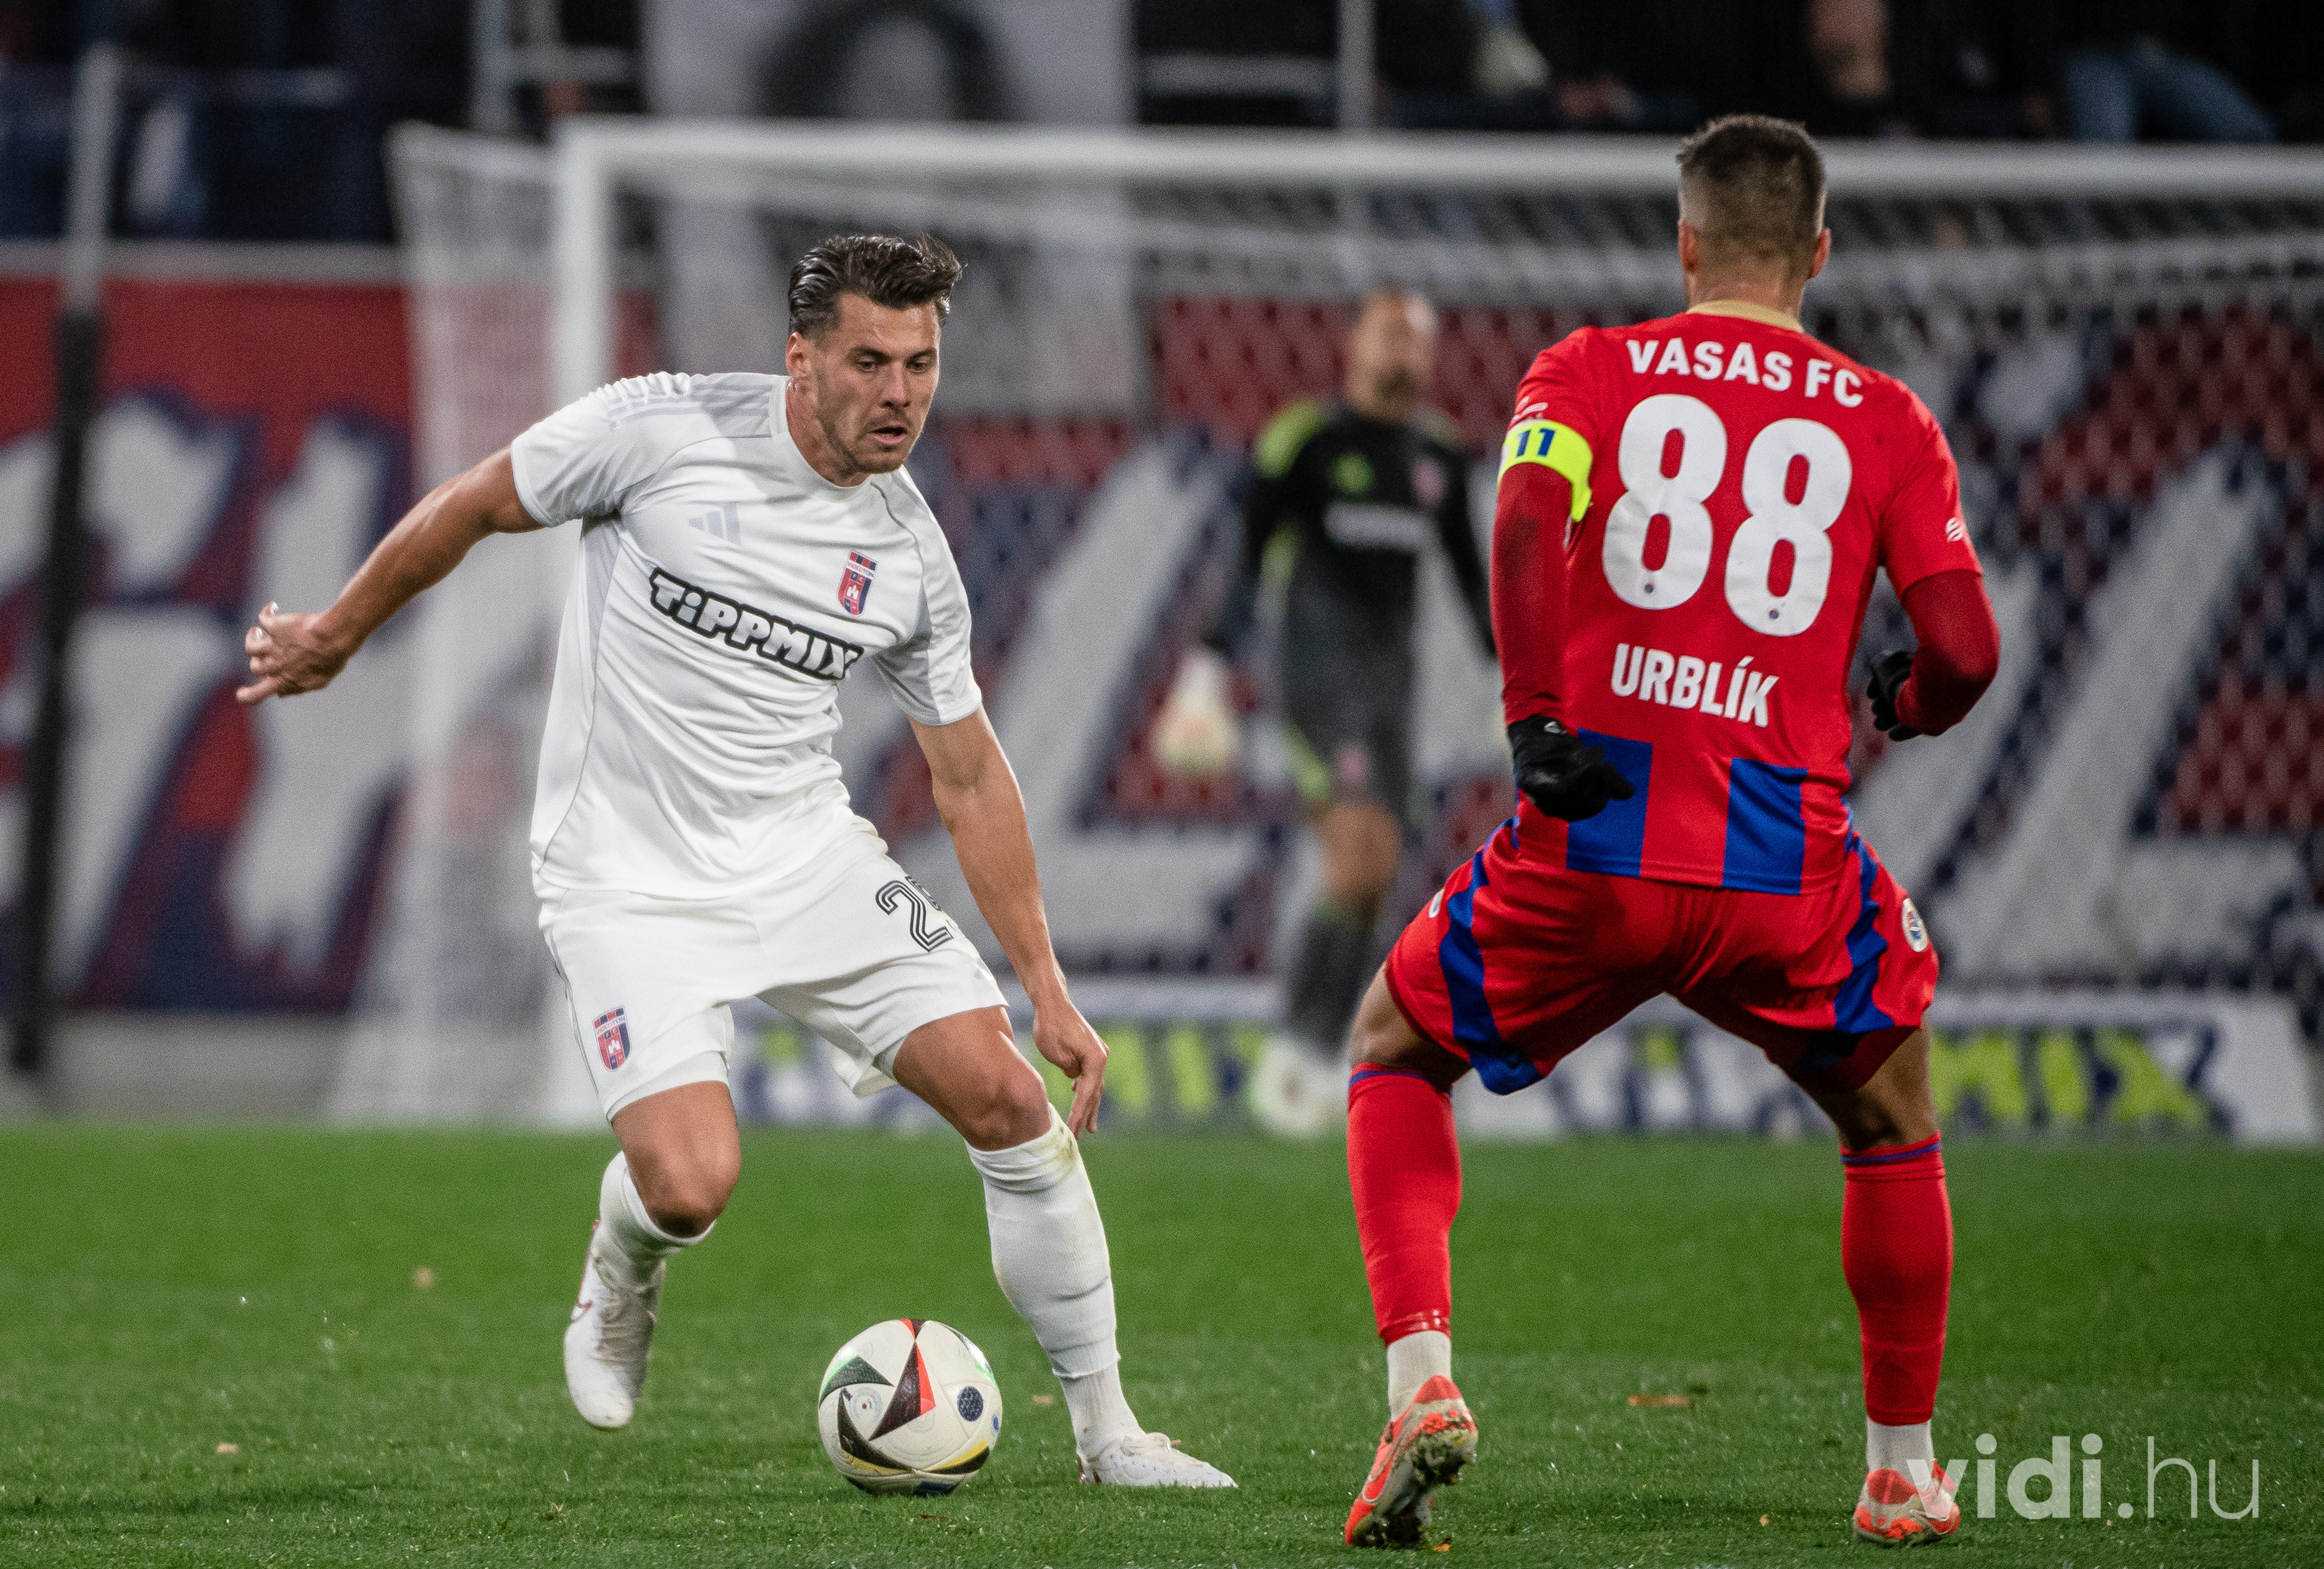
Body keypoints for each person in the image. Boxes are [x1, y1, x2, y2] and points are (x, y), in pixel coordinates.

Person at [235, 233, 1233, 1489]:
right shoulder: (659, 432)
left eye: (922, 364)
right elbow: (480, 502)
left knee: (1008, 1100)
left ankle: (1111, 1437)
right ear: (800, 358)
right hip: (625, 876)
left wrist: (1045, 985)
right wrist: (337, 633)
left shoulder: (910, 554)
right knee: (692, 1183)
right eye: (870, 362)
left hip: (803, 857)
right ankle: (624, 1262)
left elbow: (970, 774)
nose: (900, 394)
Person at [1336, 116, 2001, 1548]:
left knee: (1394, 1046)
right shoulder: (1887, 418)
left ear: (1685, 242)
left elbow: (1524, 519)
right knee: (1892, 1121)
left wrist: (1534, 722)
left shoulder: (1588, 370)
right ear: (1820, 252)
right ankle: (1901, 1469)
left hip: (1594, 835)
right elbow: (1967, 647)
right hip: (1784, 867)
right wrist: (1909, 699)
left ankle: (1423, 1383)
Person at [1154, 287, 1492, 1132]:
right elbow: (1245, 562)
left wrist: (1513, 679)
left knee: (1376, 877)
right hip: (1315, 682)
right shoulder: (1305, 442)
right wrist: (1205, 676)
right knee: (1358, 858)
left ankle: (1312, 1052)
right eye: (1387, 334)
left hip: (1392, 694)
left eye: (1416, 338)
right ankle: (1299, 1051)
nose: (1401, 352)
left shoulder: (1438, 456)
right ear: (1352, 344)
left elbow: (1470, 580)